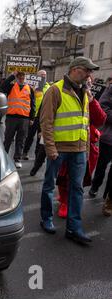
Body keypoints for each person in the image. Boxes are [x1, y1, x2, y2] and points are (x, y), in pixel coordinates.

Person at [39, 56, 100, 245]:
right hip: (59, 149)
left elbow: (86, 122)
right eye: (87, 70)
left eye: (91, 71)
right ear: (75, 70)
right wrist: (50, 148)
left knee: (77, 189)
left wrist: (86, 150)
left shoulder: (85, 92)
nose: (90, 75)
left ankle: (74, 228)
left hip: (80, 150)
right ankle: (46, 219)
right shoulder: (55, 90)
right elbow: (46, 122)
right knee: (50, 185)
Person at [56, 76, 106, 218]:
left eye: (90, 83)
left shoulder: (90, 98)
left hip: (87, 145)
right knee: (64, 174)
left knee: (80, 176)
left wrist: (91, 100)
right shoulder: (63, 93)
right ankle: (64, 200)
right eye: (85, 82)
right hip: (67, 141)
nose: (87, 85)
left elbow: (100, 120)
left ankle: (70, 199)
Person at [0, 70, 36, 168]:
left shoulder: (30, 89)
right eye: (19, 77)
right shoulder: (11, 86)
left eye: (23, 77)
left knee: (21, 140)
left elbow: (33, 104)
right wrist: (12, 76)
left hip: (24, 118)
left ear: (25, 78)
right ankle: (4, 156)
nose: (21, 78)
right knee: (8, 139)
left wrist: (32, 118)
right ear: (17, 78)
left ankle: (17, 158)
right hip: (11, 117)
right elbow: (2, 87)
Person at [89, 74, 112, 199]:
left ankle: (108, 196)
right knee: (102, 165)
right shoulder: (110, 90)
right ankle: (95, 186)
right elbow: (103, 110)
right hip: (108, 138)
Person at [23, 70, 50, 160]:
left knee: (40, 137)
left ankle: (37, 154)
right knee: (30, 135)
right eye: (42, 75)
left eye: (45, 75)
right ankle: (25, 152)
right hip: (33, 115)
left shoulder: (49, 87)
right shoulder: (31, 86)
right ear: (37, 76)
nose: (44, 76)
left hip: (43, 116)